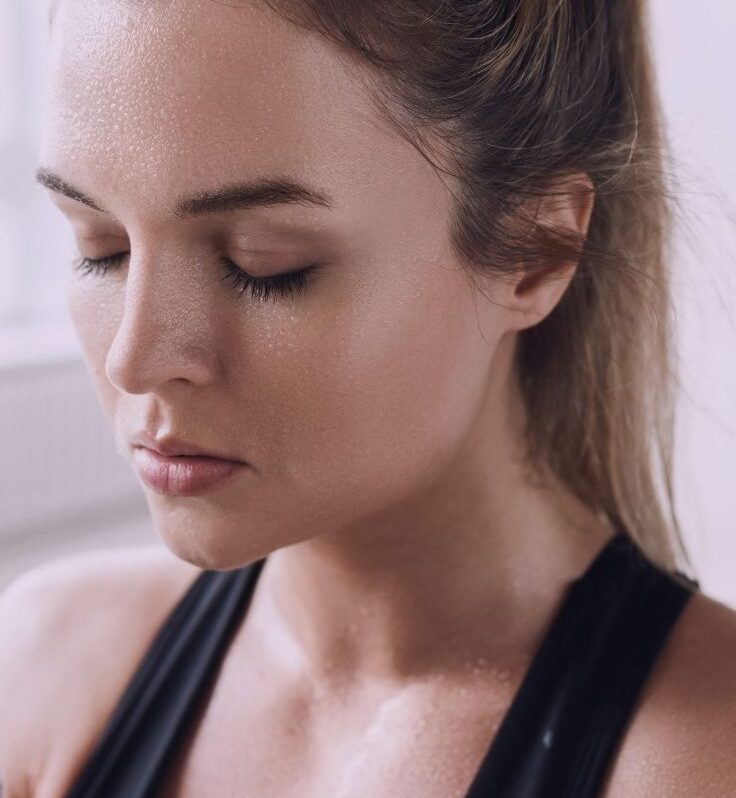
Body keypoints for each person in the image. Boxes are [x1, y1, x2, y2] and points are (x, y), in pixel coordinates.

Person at [1, 0, 735, 795]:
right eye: (98, 247)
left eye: (265, 264)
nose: (134, 359)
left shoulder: (700, 757)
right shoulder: (45, 669)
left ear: (534, 252)